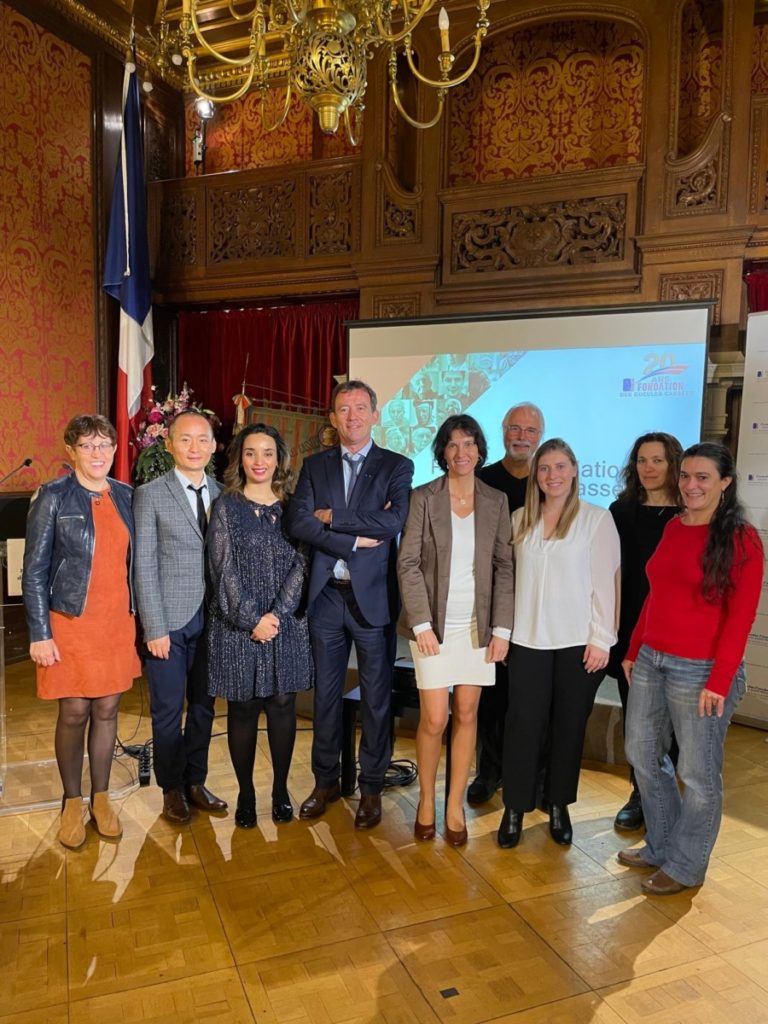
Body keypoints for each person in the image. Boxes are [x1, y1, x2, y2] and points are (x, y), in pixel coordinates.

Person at [620, 442, 764, 894]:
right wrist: (634, 648)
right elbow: (656, 595)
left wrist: (719, 681)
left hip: (701, 671)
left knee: (698, 776)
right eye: (685, 475)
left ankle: (686, 865)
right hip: (651, 660)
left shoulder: (742, 539)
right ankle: (662, 846)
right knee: (642, 754)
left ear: (725, 483)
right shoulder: (674, 526)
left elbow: (741, 617)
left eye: (703, 477)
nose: (690, 485)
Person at [287, 380, 414, 829]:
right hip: (326, 597)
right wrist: (355, 538)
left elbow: (393, 520)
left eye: (361, 408)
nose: (353, 416)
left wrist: (333, 517)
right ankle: (325, 782)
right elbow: (299, 521)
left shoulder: (397, 465)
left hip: (373, 599)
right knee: (325, 696)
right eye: (344, 409)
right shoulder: (315, 466)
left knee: (376, 698)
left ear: (375, 415)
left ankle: (372, 787)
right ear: (332, 417)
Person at [23, 414, 139, 848]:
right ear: (71, 451)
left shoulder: (126, 496)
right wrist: (39, 632)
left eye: (104, 445)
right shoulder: (52, 496)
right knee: (74, 711)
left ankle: (101, 798)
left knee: (108, 709)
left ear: (115, 450)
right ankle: (72, 802)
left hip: (115, 621)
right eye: (87, 445)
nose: (97, 453)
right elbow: (34, 571)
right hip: (69, 622)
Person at [398, 415, 514, 846]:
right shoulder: (423, 497)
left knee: (467, 713)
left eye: (468, 444)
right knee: (435, 718)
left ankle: (454, 805)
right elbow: (408, 563)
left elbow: (504, 566)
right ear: (442, 453)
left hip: (477, 626)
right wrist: (422, 624)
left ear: (479, 450)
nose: (461, 452)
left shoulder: (496, 500)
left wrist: (502, 628)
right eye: (452, 444)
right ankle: (427, 801)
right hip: (432, 626)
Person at [498, 439, 620, 849]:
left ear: (574, 470)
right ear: (536, 475)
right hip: (527, 639)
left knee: (568, 727)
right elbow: (507, 582)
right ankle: (514, 807)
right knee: (523, 725)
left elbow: (606, 584)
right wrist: (503, 634)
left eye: (560, 466)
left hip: (578, 643)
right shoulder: (520, 519)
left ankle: (557, 805)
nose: (553, 475)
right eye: (545, 468)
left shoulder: (596, 520)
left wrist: (602, 639)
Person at [206, 424, 313, 828]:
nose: (259, 461)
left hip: (285, 624)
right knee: (244, 707)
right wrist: (253, 618)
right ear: (240, 458)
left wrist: (277, 616)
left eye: (267, 453)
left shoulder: (294, 506)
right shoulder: (226, 506)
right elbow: (222, 569)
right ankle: (247, 794)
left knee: (283, 704)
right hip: (238, 625)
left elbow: (303, 562)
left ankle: (280, 790)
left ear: (279, 458)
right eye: (251, 453)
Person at [134, 410, 227, 825]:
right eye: (185, 440)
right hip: (169, 622)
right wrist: (153, 627)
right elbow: (143, 565)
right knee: (169, 711)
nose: (194, 448)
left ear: (213, 446)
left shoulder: (224, 494)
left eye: (202, 440)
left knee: (205, 708)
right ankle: (171, 788)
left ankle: (196, 781)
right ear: (169, 445)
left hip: (215, 621)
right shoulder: (150, 495)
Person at [468, 401, 545, 805]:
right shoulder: (482, 480)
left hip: (538, 605)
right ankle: (489, 772)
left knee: (531, 699)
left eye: (530, 431)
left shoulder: (548, 481)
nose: (522, 437)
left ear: (540, 436)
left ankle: (532, 776)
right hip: (491, 603)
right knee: (491, 697)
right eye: (515, 428)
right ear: (502, 431)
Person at [608, 432, 683, 832]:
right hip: (631, 631)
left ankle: (667, 797)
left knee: (674, 722)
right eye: (641, 460)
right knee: (637, 721)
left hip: (677, 633)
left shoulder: (690, 513)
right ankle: (640, 793)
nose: (648, 468)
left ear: (673, 464)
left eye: (657, 460)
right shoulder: (620, 511)